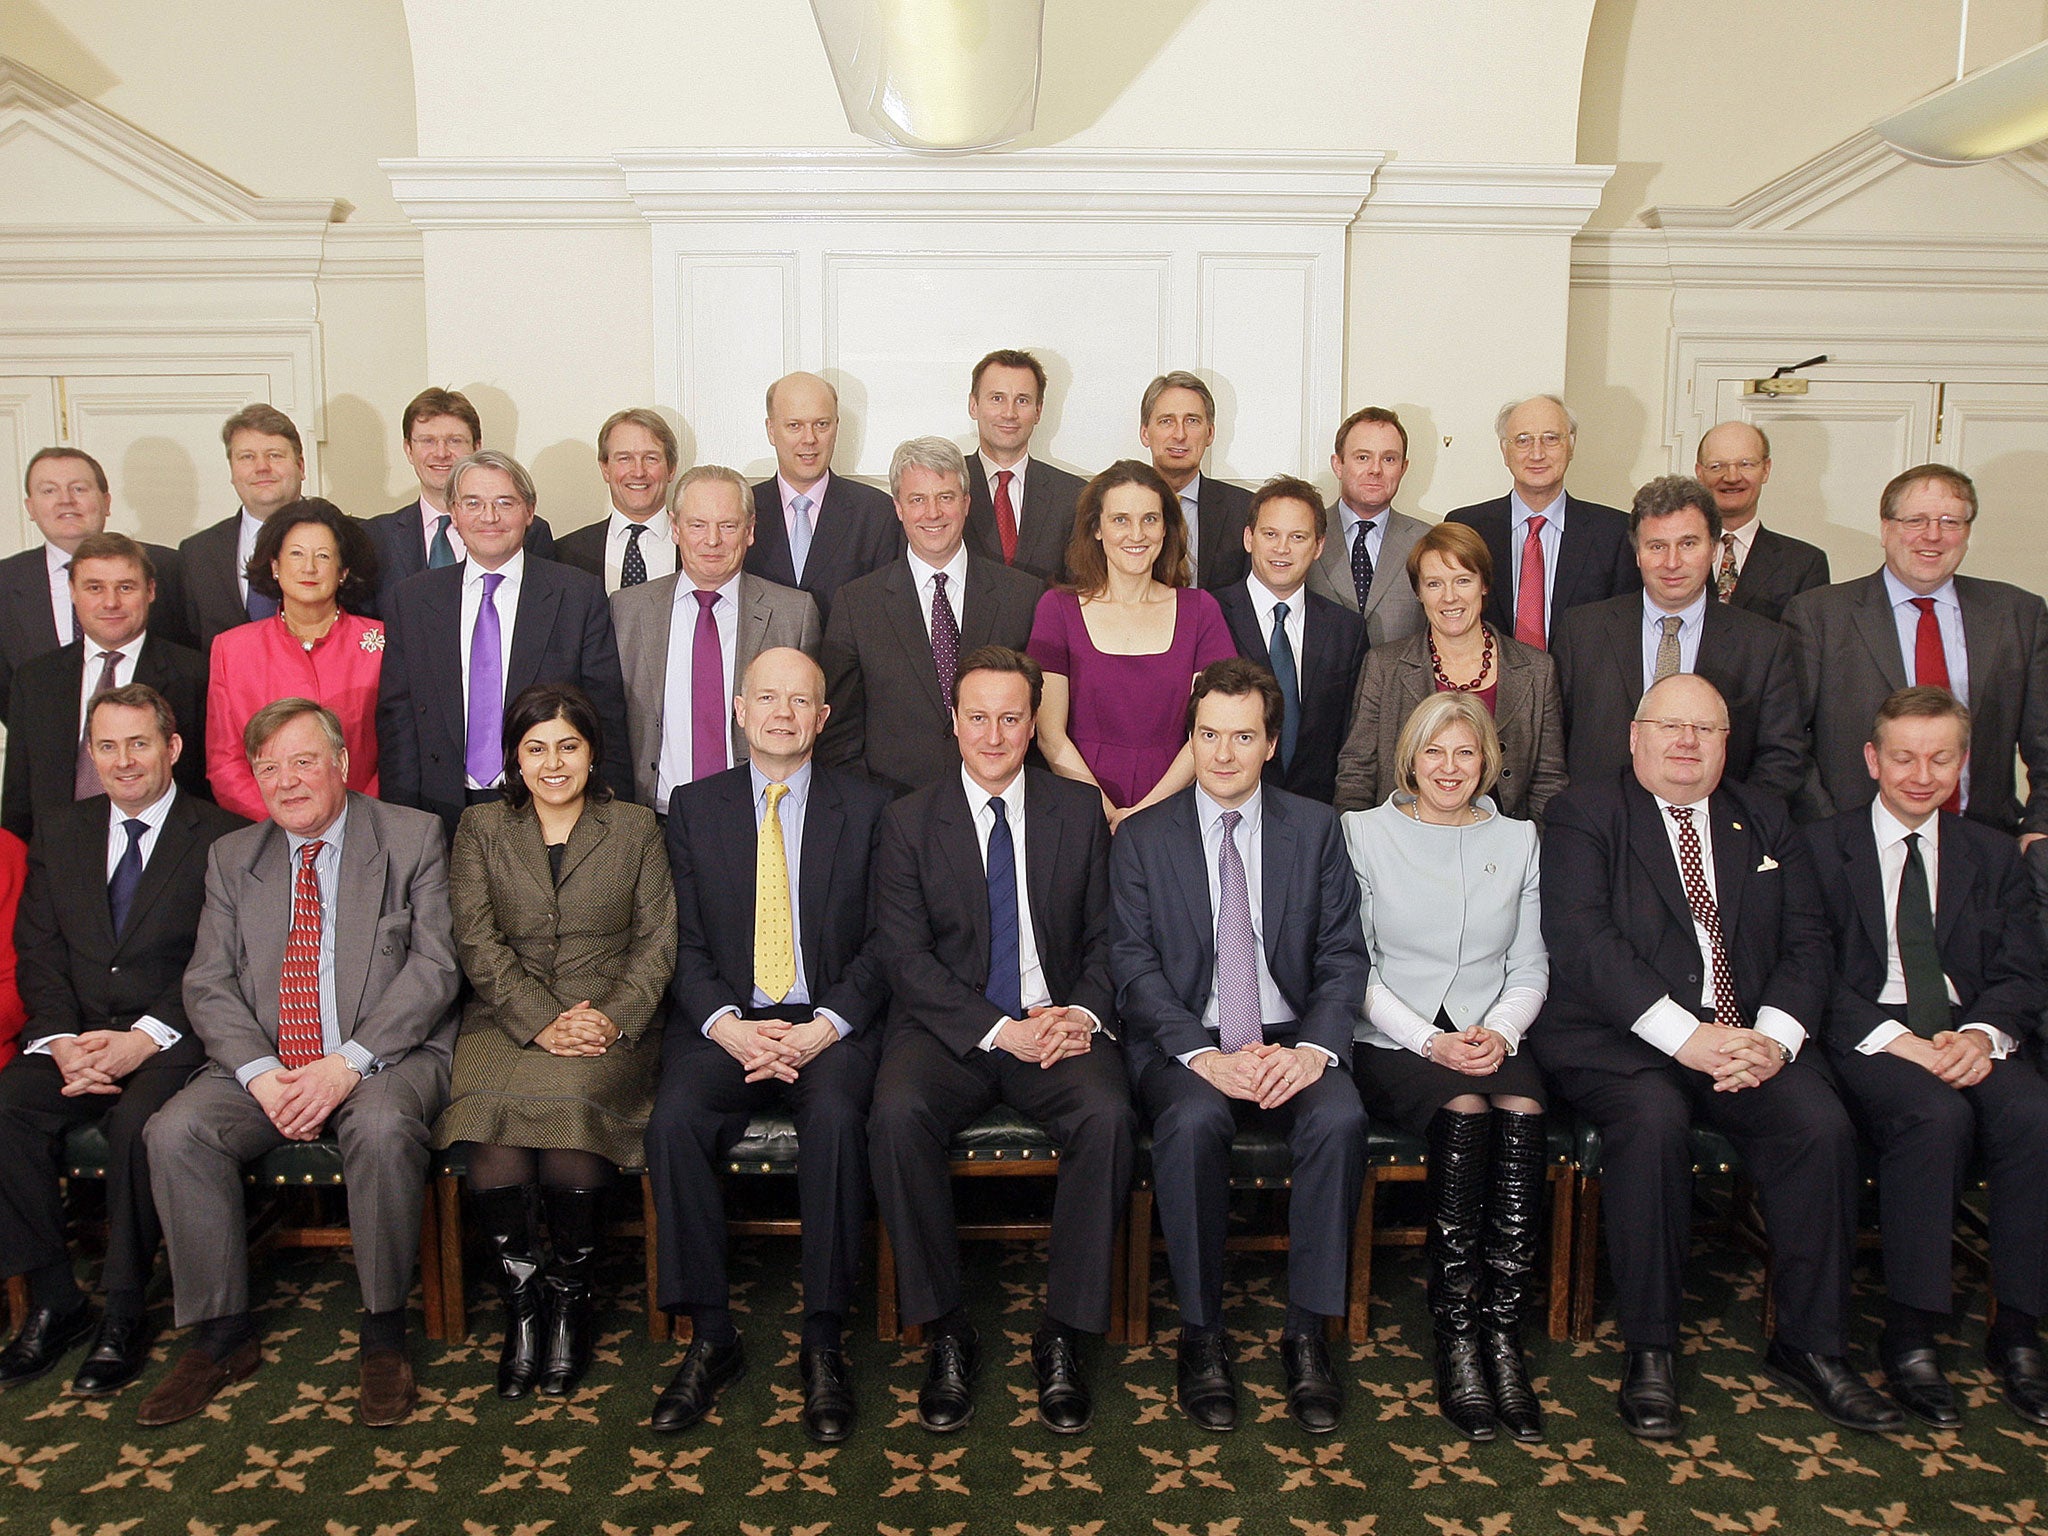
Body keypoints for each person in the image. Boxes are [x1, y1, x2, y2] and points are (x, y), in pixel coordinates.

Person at [1531, 673, 1901, 1439]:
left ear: (1726, 744)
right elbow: (1584, 944)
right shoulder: (1582, 815)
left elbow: (1807, 942)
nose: (1686, 743)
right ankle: (1652, 1349)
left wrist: (1772, 1039)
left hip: (1749, 1041)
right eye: (1670, 726)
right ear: (1636, 735)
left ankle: (1812, 1345)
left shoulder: (1764, 816)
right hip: (1626, 1043)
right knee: (1653, 1121)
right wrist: (1689, 1039)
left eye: (1704, 730)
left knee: (1819, 1127)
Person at [141, 699, 460, 1427]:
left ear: (342, 764)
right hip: (266, 1063)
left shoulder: (411, 837)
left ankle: (383, 1334)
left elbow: (436, 969)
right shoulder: (232, 858)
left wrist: (345, 1064)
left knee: (379, 1130)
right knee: (175, 1132)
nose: (286, 782)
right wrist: (258, 1071)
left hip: (384, 1056)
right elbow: (207, 981)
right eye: (268, 768)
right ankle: (223, 1336)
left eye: (302, 761)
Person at [868, 646, 1137, 1436]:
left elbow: (1107, 938)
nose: (993, 734)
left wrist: (1081, 1015)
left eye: (1010, 718)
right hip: (951, 1030)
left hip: (1056, 1024)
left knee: (1110, 1119)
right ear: (952, 723)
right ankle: (945, 1328)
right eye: (977, 717)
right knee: (894, 1115)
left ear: (1032, 724)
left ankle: (1063, 1333)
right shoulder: (909, 820)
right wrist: (996, 1032)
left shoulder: (1079, 811)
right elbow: (903, 957)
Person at [1111, 659, 1370, 1434]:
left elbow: (1342, 955)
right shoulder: (1143, 837)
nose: (1223, 755)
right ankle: (1202, 1334)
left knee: (1339, 1119)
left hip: (1289, 1034)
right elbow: (1131, 963)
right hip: (1190, 1040)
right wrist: (1203, 1054)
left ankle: (1306, 1334)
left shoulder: (1315, 827)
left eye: (1242, 737)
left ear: (1270, 742)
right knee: (1192, 1125)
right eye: (1209, 736)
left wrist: (1314, 1052)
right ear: (1190, 739)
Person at [649, 647, 892, 1440]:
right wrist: (730, 1026)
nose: (783, 713)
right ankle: (710, 1334)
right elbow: (679, 944)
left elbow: (890, 940)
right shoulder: (694, 807)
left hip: (830, 1024)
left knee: (834, 1123)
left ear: (823, 719)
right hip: (729, 1023)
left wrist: (827, 1027)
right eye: (768, 698)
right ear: (740, 710)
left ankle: (823, 1337)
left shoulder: (871, 805)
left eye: (801, 701)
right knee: (675, 1119)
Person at [1805, 686, 2048, 1429]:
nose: (1921, 774)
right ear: (1874, 759)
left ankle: (2020, 1332)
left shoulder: (1989, 853)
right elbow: (1809, 971)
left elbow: (2022, 971)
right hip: (1870, 1032)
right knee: (1933, 1117)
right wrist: (1900, 1043)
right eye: (1904, 757)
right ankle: (1911, 1332)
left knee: (2034, 1115)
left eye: (1939, 758)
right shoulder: (1820, 846)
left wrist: (1981, 1037)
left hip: (1968, 1029)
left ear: (1962, 764)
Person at [0, 685, 243, 1397]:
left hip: (172, 1037)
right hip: (75, 1035)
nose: (123, 761)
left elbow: (220, 960)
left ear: (172, 748)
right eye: (107, 746)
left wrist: (144, 1037)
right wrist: (57, 1041)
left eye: (139, 743)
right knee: (7, 1107)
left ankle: (125, 1310)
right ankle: (56, 1301)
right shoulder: (62, 830)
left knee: (142, 1125)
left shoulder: (221, 837)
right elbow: (38, 951)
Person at [434, 684, 674, 1400]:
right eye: (535, 748)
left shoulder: (634, 827)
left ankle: (571, 1300)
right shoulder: (480, 830)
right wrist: (540, 1019)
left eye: (568, 745)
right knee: (490, 1127)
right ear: (514, 756)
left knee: (571, 1111)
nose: (553, 762)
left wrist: (609, 1015)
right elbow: (476, 939)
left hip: (609, 1020)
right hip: (504, 1020)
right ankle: (525, 1306)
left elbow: (659, 942)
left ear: (592, 751)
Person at [1340, 692, 1548, 1442]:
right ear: (1410, 758)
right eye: (1434, 751)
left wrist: (1497, 1031)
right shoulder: (1363, 833)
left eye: (1465, 752)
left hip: (1492, 1034)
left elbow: (1530, 964)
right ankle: (1456, 1334)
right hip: (1396, 1040)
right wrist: (1431, 1042)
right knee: (1464, 1111)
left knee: (1521, 1110)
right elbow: (1353, 969)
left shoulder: (1520, 840)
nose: (1449, 767)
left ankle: (1503, 1332)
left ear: (1487, 760)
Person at [1786, 463, 2048, 842]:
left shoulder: (2018, 615)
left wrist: (2040, 827)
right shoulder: (1819, 616)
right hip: (1851, 844)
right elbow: (1788, 740)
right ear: (1886, 529)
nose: (1933, 536)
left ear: (1967, 532)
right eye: (1916, 521)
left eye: (1950, 522)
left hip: (1983, 844)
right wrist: (1828, 828)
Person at [377, 449, 631, 835]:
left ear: (529, 511)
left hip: (549, 808)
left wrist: (606, 815)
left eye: (504, 503)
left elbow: (604, 713)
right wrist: (402, 818)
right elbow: (398, 720)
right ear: (454, 514)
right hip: (439, 811)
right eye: (473, 503)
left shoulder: (576, 594)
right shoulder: (412, 599)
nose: (489, 517)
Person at [1552, 475, 1807, 799]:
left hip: (1716, 831)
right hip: (1597, 829)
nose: (1672, 563)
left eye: (1688, 544)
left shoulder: (1763, 644)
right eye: (1657, 546)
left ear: (1714, 549)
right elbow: (1552, 746)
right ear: (1637, 554)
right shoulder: (1582, 630)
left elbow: (1782, 758)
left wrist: (1733, 825)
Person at [821, 437, 1044, 795]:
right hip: (893, 811)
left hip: (1001, 806)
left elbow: (1038, 719)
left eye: (945, 497)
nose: (933, 513)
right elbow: (839, 732)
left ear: (967, 503)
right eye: (917, 500)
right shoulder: (856, 604)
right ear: (898, 507)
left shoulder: (1023, 596)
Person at [1029, 461, 1236, 825]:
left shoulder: (1201, 611)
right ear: (1097, 528)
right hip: (1080, 813)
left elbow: (1212, 729)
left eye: (1150, 519)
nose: (1136, 534)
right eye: (1120, 519)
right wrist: (1104, 813)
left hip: (1177, 814)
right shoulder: (1056, 610)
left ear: (1166, 528)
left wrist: (1142, 816)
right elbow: (1049, 735)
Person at [613, 465, 821, 809]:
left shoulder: (793, 614)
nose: (712, 540)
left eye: (728, 526)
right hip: (653, 816)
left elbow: (809, 726)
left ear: (750, 531)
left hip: (759, 816)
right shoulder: (627, 611)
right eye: (697, 525)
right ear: (675, 528)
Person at [1333, 521, 1566, 822]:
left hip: (1503, 851)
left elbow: (1549, 780)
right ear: (1418, 592)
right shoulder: (1384, 666)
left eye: (1463, 581)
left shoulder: (1537, 669)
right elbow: (1356, 772)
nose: (1449, 597)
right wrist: (1359, 845)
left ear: (1484, 585)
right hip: (1400, 847)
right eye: (1434, 584)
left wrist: (1531, 851)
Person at [2, 533, 208, 842]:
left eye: (125, 587)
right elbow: (18, 801)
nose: (111, 602)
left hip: (167, 859)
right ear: (72, 591)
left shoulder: (196, 673)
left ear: (150, 591)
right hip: (57, 862)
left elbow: (207, 787)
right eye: (94, 588)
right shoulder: (34, 680)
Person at [205, 499, 385, 821]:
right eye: (297, 554)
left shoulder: (381, 643)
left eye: (324, 556)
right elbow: (224, 764)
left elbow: (398, 754)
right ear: (275, 566)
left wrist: (353, 821)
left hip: (367, 826)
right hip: (267, 832)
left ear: (343, 571)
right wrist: (283, 821)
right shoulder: (232, 649)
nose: (309, 568)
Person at [1212, 477, 1366, 803]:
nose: (1282, 548)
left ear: (1319, 546)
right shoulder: (1209, 615)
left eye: (1298, 537)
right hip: (1226, 805)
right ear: (1248, 538)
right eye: (1271, 534)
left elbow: (1352, 740)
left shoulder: (1345, 630)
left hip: (1315, 816)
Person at [0, 447, 184, 718]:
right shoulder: (5, 582)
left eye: (79, 489)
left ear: (106, 502)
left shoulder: (168, 567)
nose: (65, 501)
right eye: (49, 490)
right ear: (30, 507)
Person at [1444, 395, 1637, 650]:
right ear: (1505, 451)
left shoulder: (1615, 532)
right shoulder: (1467, 527)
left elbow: (1624, 632)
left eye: (1551, 438)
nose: (1537, 453)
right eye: (1523, 440)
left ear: (1571, 445)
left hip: (1578, 687)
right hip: (1485, 685)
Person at [359, 388, 556, 619]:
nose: (441, 453)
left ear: (476, 447)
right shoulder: (375, 537)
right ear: (408, 450)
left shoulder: (528, 531)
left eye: (454, 441)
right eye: (427, 441)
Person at [744, 372, 902, 623]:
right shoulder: (740, 511)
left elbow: (887, 618)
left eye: (821, 424)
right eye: (794, 426)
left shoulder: (877, 514)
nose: (809, 439)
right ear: (771, 430)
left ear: (836, 426)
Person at [177, 405, 307, 654]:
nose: (261, 467)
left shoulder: (345, 538)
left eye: (275, 455)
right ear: (233, 470)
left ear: (300, 466)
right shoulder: (197, 553)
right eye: (247, 457)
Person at [1306, 406, 1429, 647]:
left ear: (1403, 468)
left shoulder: (1428, 542)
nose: (1375, 469)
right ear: (1338, 465)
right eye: (1363, 457)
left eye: (1389, 459)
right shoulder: (1303, 534)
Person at [963, 348, 1089, 582]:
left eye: (1022, 400)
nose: (1009, 413)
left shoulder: (1075, 496)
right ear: (973, 405)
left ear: (1038, 411)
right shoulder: (945, 487)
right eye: (997, 398)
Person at [1693, 421, 1829, 623]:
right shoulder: (1667, 555)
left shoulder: (1804, 564)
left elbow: (1808, 647)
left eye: (1746, 464)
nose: (1732, 477)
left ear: (1766, 470)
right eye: (1717, 466)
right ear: (1700, 473)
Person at [1138, 371, 1250, 590]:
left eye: (1192, 421)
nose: (1179, 434)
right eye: (1166, 421)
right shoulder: (1113, 509)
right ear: (1145, 433)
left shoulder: (1245, 510)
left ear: (1209, 433)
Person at [554, 409, 681, 592]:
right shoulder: (564, 554)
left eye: (651, 458)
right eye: (625, 459)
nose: (638, 472)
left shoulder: (703, 547)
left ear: (671, 469)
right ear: (605, 469)